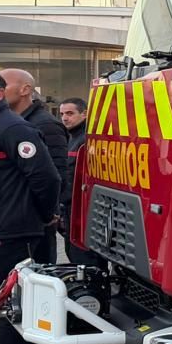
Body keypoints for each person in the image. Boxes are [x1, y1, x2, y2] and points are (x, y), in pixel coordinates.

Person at [0, 66, 62, 344]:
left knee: (8, 313)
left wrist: (43, 217)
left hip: (9, 234)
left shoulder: (11, 128)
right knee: (11, 311)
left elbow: (47, 178)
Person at [0, 70, 68, 344]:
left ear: (26, 89)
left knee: (36, 292)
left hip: (36, 224)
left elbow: (54, 176)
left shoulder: (44, 125)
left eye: (5, 85)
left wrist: (48, 214)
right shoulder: (12, 122)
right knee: (20, 296)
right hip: (20, 221)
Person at [56, 97, 97, 269]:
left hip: (83, 213)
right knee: (73, 255)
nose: (65, 118)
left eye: (70, 113)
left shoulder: (87, 139)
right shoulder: (70, 138)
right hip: (70, 211)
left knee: (84, 262)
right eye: (62, 114)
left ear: (84, 114)